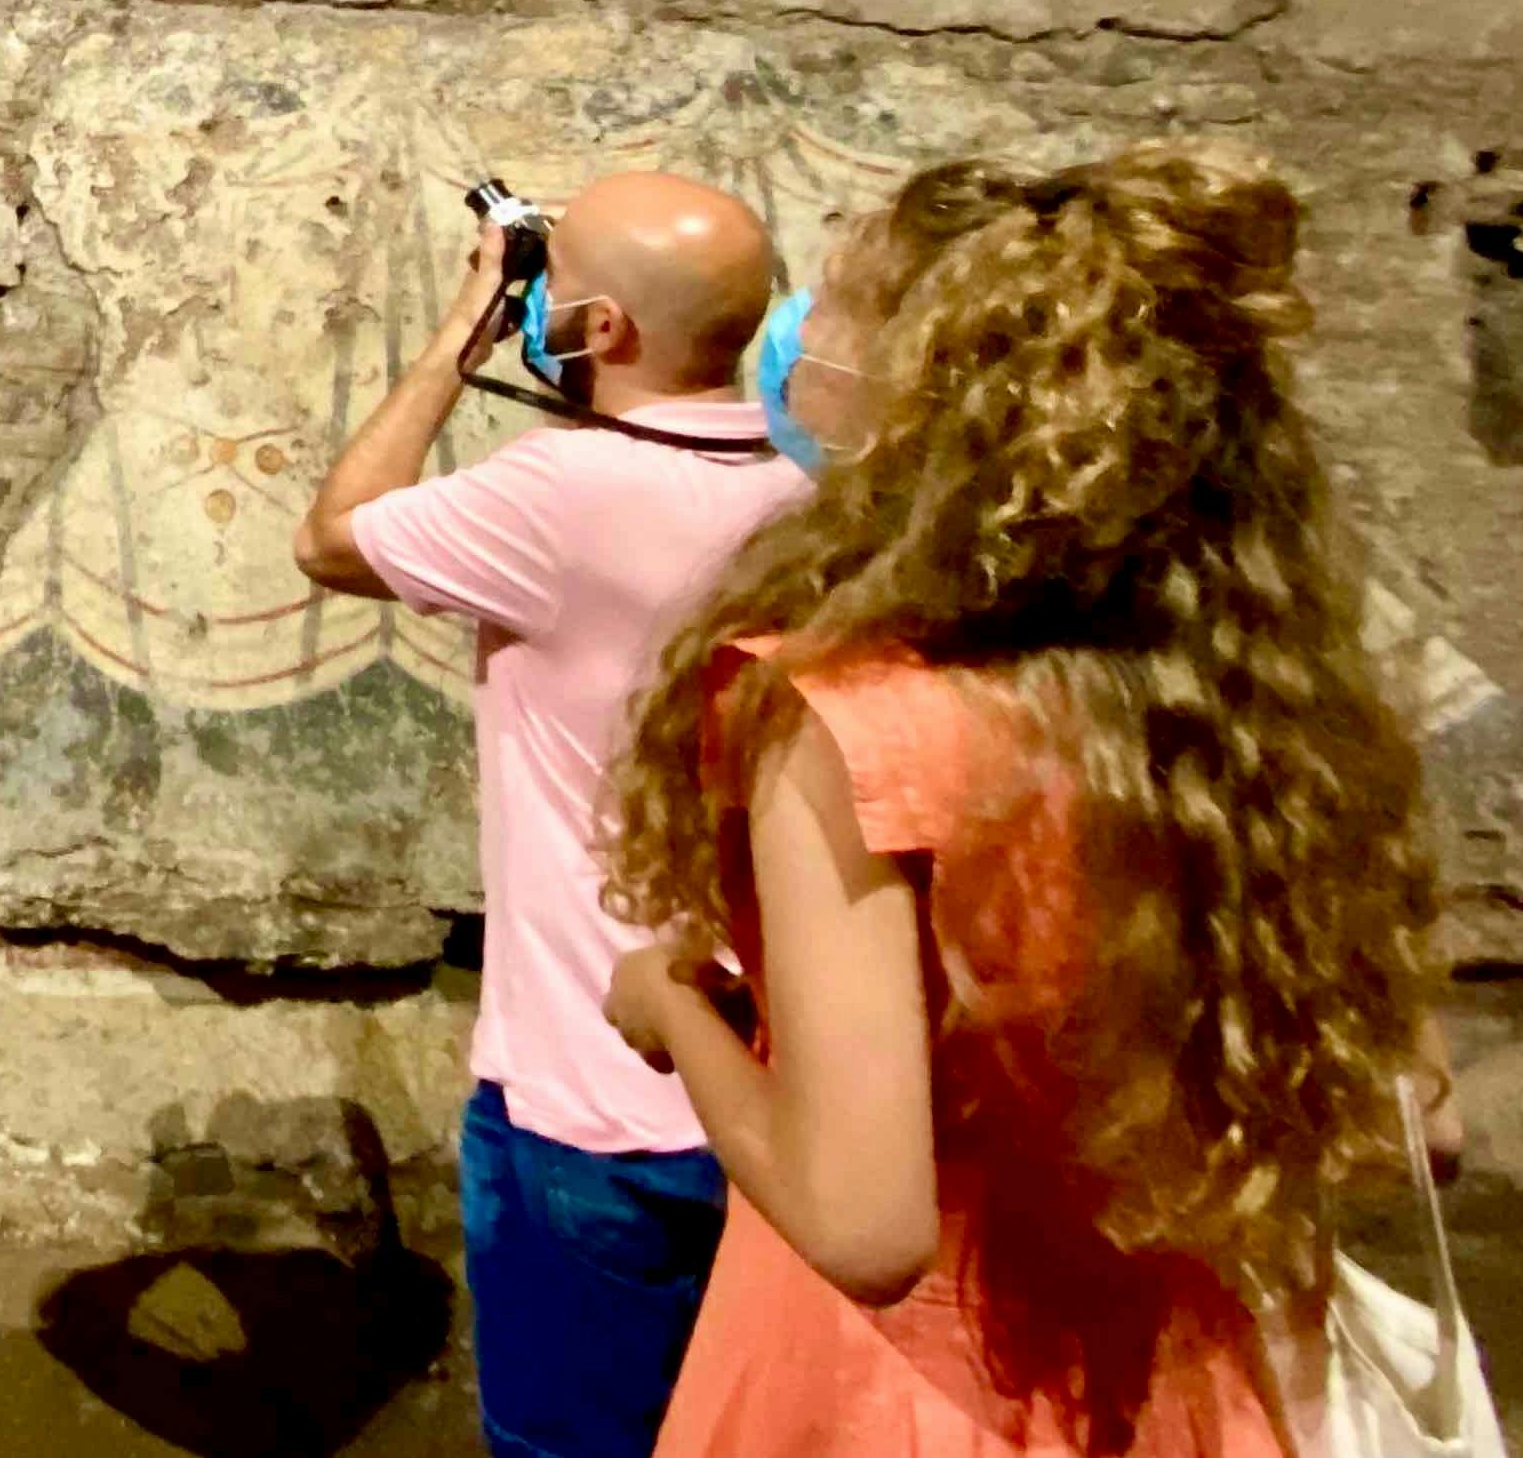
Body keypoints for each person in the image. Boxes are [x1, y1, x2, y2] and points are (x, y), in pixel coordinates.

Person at [600, 146, 1446, 1458]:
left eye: (833, 304)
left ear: (927, 395)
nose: (799, 333)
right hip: (1177, 1377)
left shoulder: (844, 720)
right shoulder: (1258, 714)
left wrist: (674, 1008)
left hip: (905, 1393)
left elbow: (867, 1221)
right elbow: (1421, 1120)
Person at [292, 175, 804, 1458]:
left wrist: (465, 324)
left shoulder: (562, 491)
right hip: (782, 1097)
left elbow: (335, 536)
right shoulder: (818, 491)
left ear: (604, 327)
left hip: (591, 1099)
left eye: (551, 280)